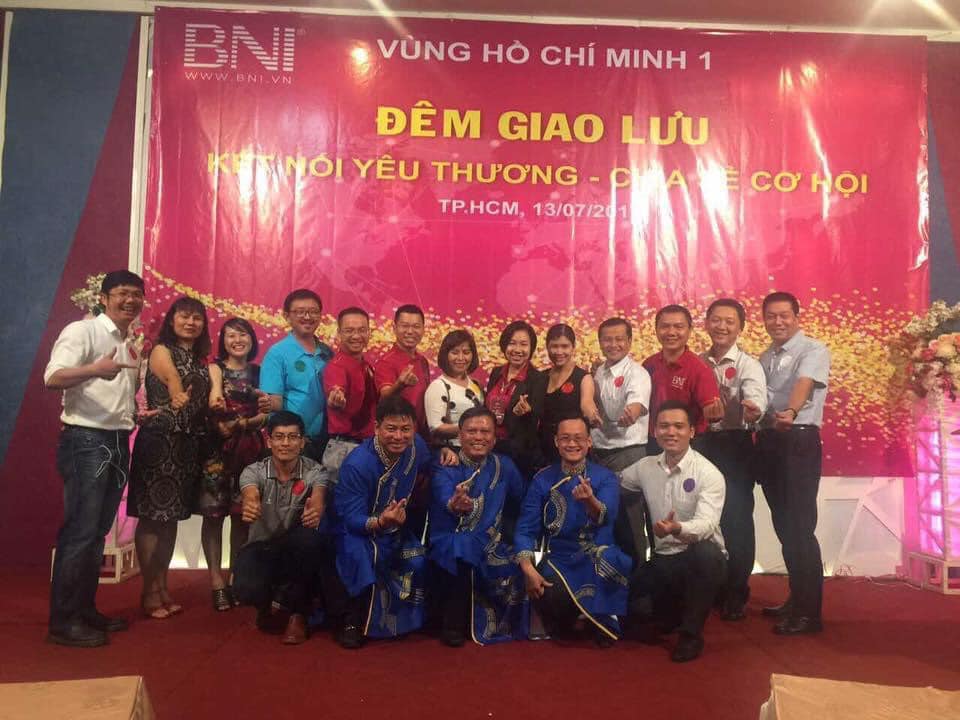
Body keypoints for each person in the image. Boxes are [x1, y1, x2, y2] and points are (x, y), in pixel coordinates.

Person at [44, 270, 147, 647]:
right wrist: (94, 369)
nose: (130, 300)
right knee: (80, 532)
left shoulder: (128, 341)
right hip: (86, 440)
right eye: (122, 293)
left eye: (136, 295)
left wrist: (135, 414)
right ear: (103, 298)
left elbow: (115, 396)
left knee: (97, 533)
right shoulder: (82, 331)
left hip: (117, 439)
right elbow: (53, 377)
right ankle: (63, 622)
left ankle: (84, 610)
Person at [328, 395, 456, 649]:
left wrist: (443, 452)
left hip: (394, 528)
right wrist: (380, 522)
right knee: (362, 557)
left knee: (418, 559)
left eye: (405, 429)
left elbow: (430, 462)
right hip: (355, 530)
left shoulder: (416, 447)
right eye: (391, 429)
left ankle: (409, 620)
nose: (399, 436)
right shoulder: (358, 464)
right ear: (376, 428)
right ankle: (352, 622)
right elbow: (349, 516)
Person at [622, 401, 727, 663]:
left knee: (707, 555)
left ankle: (691, 635)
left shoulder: (709, 473)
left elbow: (707, 525)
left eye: (679, 426)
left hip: (697, 557)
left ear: (692, 431)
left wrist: (677, 528)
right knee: (633, 610)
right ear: (654, 431)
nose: (671, 432)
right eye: (664, 426)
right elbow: (616, 480)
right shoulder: (645, 467)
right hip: (664, 559)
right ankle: (672, 614)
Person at [515, 416, 632, 647]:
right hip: (559, 559)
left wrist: (590, 501)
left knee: (611, 561)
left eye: (578, 438)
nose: (571, 444)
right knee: (549, 596)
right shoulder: (542, 479)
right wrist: (528, 569)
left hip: (595, 555)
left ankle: (599, 618)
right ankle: (579, 615)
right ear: (556, 442)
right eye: (565, 438)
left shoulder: (605, 477)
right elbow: (525, 528)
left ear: (589, 442)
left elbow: (606, 516)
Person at [129, 296, 212, 619]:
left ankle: (162, 586)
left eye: (197, 318)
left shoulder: (200, 360)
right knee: (152, 517)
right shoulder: (162, 351)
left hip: (186, 448)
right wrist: (176, 394)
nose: (190, 322)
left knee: (171, 519)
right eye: (184, 316)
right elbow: (173, 380)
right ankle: (148, 592)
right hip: (160, 444)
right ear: (172, 320)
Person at [756, 291, 830, 635]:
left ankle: (809, 613)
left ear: (797, 317)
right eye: (771, 316)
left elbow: (803, 383)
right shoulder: (765, 356)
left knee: (800, 528)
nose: (778, 322)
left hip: (798, 438)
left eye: (784, 315)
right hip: (771, 441)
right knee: (785, 527)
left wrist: (790, 411)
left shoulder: (813, 350)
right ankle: (797, 598)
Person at [429, 407, 527, 646]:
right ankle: (453, 625)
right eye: (471, 431)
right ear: (459, 435)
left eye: (485, 432)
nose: (478, 437)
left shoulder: (504, 466)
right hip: (451, 537)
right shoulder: (446, 464)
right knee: (462, 546)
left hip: (493, 542)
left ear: (494, 438)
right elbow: (444, 496)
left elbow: (524, 498)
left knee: (522, 557)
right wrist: (454, 504)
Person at [696, 298, 767, 621]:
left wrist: (752, 408)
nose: (721, 326)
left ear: (740, 327)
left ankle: (737, 591)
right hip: (701, 445)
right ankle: (711, 586)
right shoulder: (697, 362)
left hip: (734, 446)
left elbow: (756, 398)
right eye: (716, 320)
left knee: (736, 520)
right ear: (706, 323)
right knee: (704, 517)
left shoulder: (748, 365)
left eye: (729, 321)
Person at [232, 411, 327, 645]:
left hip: (296, 547)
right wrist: (251, 503)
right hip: (262, 546)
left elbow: (318, 495)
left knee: (310, 543)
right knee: (245, 589)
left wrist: (317, 508)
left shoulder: (316, 471)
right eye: (279, 437)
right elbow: (250, 492)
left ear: (302, 442)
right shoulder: (253, 471)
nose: (286, 443)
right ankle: (267, 602)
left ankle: (299, 614)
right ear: (269, 441)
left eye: (292, 437)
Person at [198, 318, 267, 612]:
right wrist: (222, 421)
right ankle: (216, 582)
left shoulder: (260, 372)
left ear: (252, 339)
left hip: (250, 452)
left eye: (243, 334)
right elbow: (209, 404)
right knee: (213, 516)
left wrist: (242, 423)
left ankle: (237, 577)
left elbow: (266, 414)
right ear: (222, 341)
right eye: (230, 336)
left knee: (242, 517)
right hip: (217, 451)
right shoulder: (214, 369)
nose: (237, 340)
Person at [587, 317, 651, 564]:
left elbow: (637, 403)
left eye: (619, 339)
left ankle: (639, 577)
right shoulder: (598, 372)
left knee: (629, 520)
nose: (613, 345)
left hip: (628, 454)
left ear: (630, 341)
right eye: (607, 340)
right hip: (598, 454)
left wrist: (631, 413)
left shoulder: (637, 373)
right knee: (602, 518)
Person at [258, 289, 333, 462]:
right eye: (300, 312)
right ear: (287, 316)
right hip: (293, 443)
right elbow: (274, 402)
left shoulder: (327, 352)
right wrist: (266, 403)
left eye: (313, 311)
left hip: (327, 440)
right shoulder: (277, 353)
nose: (307, 317)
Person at [642, 304, 722, 454]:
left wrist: (714, 414)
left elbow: (711, 411)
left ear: (690, 330)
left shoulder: (700, 369)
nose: (671, 332)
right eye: (665, 326)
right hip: (653, 441)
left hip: (689, 443)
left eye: (678, 327)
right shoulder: (648, 364)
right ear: (656, 330)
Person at [321, 307, 377, 483]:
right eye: (349, 330)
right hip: (344, 448)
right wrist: (336, 398)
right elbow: (336, 390)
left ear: (369, 332)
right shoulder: (336, 366)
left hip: (367, 446)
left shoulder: (367, 366)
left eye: (361, 330)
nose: (356, 336)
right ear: (339, 333)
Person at [485, 320, 547, 479]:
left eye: (524, 344)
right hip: (489, 448)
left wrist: (527, 412)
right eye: (512, 343)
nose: (518, 350)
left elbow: (538, 419)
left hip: (518, 455)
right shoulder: (496, 373)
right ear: (504, 345)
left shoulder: (538, 379)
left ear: (531, 348)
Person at [539, 324, 598, 464]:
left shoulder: (583, 377)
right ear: (547, 347)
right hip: (542, 449)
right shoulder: (540, 377)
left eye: (565, 346)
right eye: (554, 346)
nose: (559, 351)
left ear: (573, 347)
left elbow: (587, 403)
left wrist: (591, 414)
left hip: (571, 448)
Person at [424, 329, 485, 449]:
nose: (461, 358)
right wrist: (471, 428)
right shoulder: (438, 386)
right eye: (455, 352)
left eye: (466, 352)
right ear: (445, 355)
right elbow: (435, 428)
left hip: (478, 450)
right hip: (452, 452)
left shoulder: (475, 385)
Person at [375, 304, 431, 433]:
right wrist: (400, 384)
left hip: (420, 436)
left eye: (416, 326)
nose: (410, 331)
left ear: (423, 329)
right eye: (405, 326)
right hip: (398, 435)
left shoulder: (423, 361)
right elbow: (385, 397)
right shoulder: (386, 362)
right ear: (394, 328)